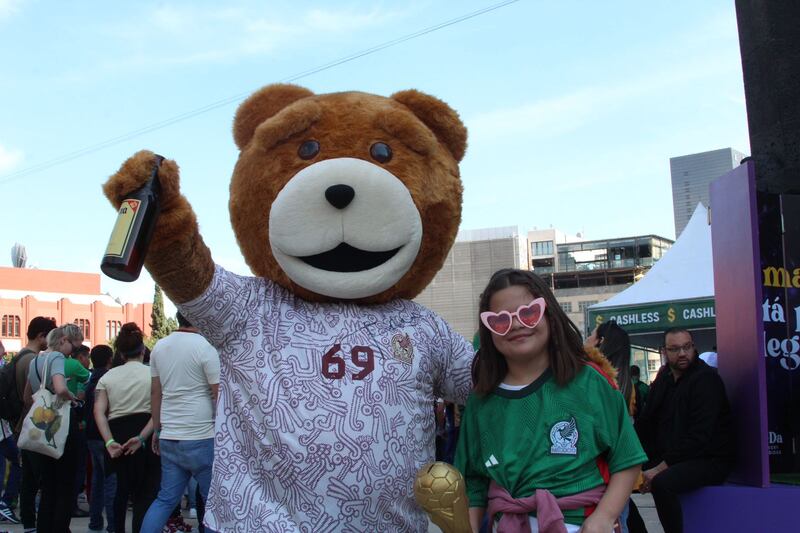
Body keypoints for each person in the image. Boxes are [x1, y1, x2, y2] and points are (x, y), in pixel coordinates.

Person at [455, 269, 646, 533]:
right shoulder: (480, 402)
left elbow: (627, 457)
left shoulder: (589, 382)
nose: (517, 325)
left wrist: (605, 515)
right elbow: (473, 482)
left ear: (549, 315)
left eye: (529, 313)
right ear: (488, 331)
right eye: (500, 321)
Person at [636, 328, 735, 533]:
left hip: (709, 459)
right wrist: (631, 462)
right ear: (664, 351)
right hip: (673, 456)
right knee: (620, 476)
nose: (682, 353)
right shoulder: (663, 380)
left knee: (663, 483)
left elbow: (699, 438)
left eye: (687, 347)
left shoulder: (706, 380)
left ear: (694, 347)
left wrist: (657, 469)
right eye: (675, 349)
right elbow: (646, 423)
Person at [140, 312, 219, 533]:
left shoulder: (159, 347)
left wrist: (156, 429)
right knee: (214, 502)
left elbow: (156, 392)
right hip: (202, 435)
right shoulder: (206, 347)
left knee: (164, 499)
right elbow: (218, 394)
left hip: (170, 435)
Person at [94, 323, 160, 533]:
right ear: (143, 351)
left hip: (117, 435)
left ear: (120, 354)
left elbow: (99, 412)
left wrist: (109, 442)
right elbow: (158, 410)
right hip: (146, 437)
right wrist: (141, 437)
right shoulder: (152, 375)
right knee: (146, 495)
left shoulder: (107, 377)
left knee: (118, 495)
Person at [23, 323, 84, 533]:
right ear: (63, 341)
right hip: (61, 429)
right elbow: (59, 388)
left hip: (42, 428)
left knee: (48, 485)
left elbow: (27, 396)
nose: (72, 354)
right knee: (65, 485)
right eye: (73, 348)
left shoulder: (35, 360)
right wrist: (72, 397)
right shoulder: (57, 357)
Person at [12, 316, 57, 532]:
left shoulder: (19, 356)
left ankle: (29, 522)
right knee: (40, 479)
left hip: (21, 427)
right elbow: (30, 397)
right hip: (33, 427)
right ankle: (35, 523)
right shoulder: (31, 361)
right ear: (41, 336)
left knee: (28, 480)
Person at [85, 344, 117, 533]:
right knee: (110, 482)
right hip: (104, 436)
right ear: (109, 360)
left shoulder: (90, 380)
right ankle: (112, 525)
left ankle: (95, 523)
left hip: (90, 435)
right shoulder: (107, 380)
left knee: (97, 481)